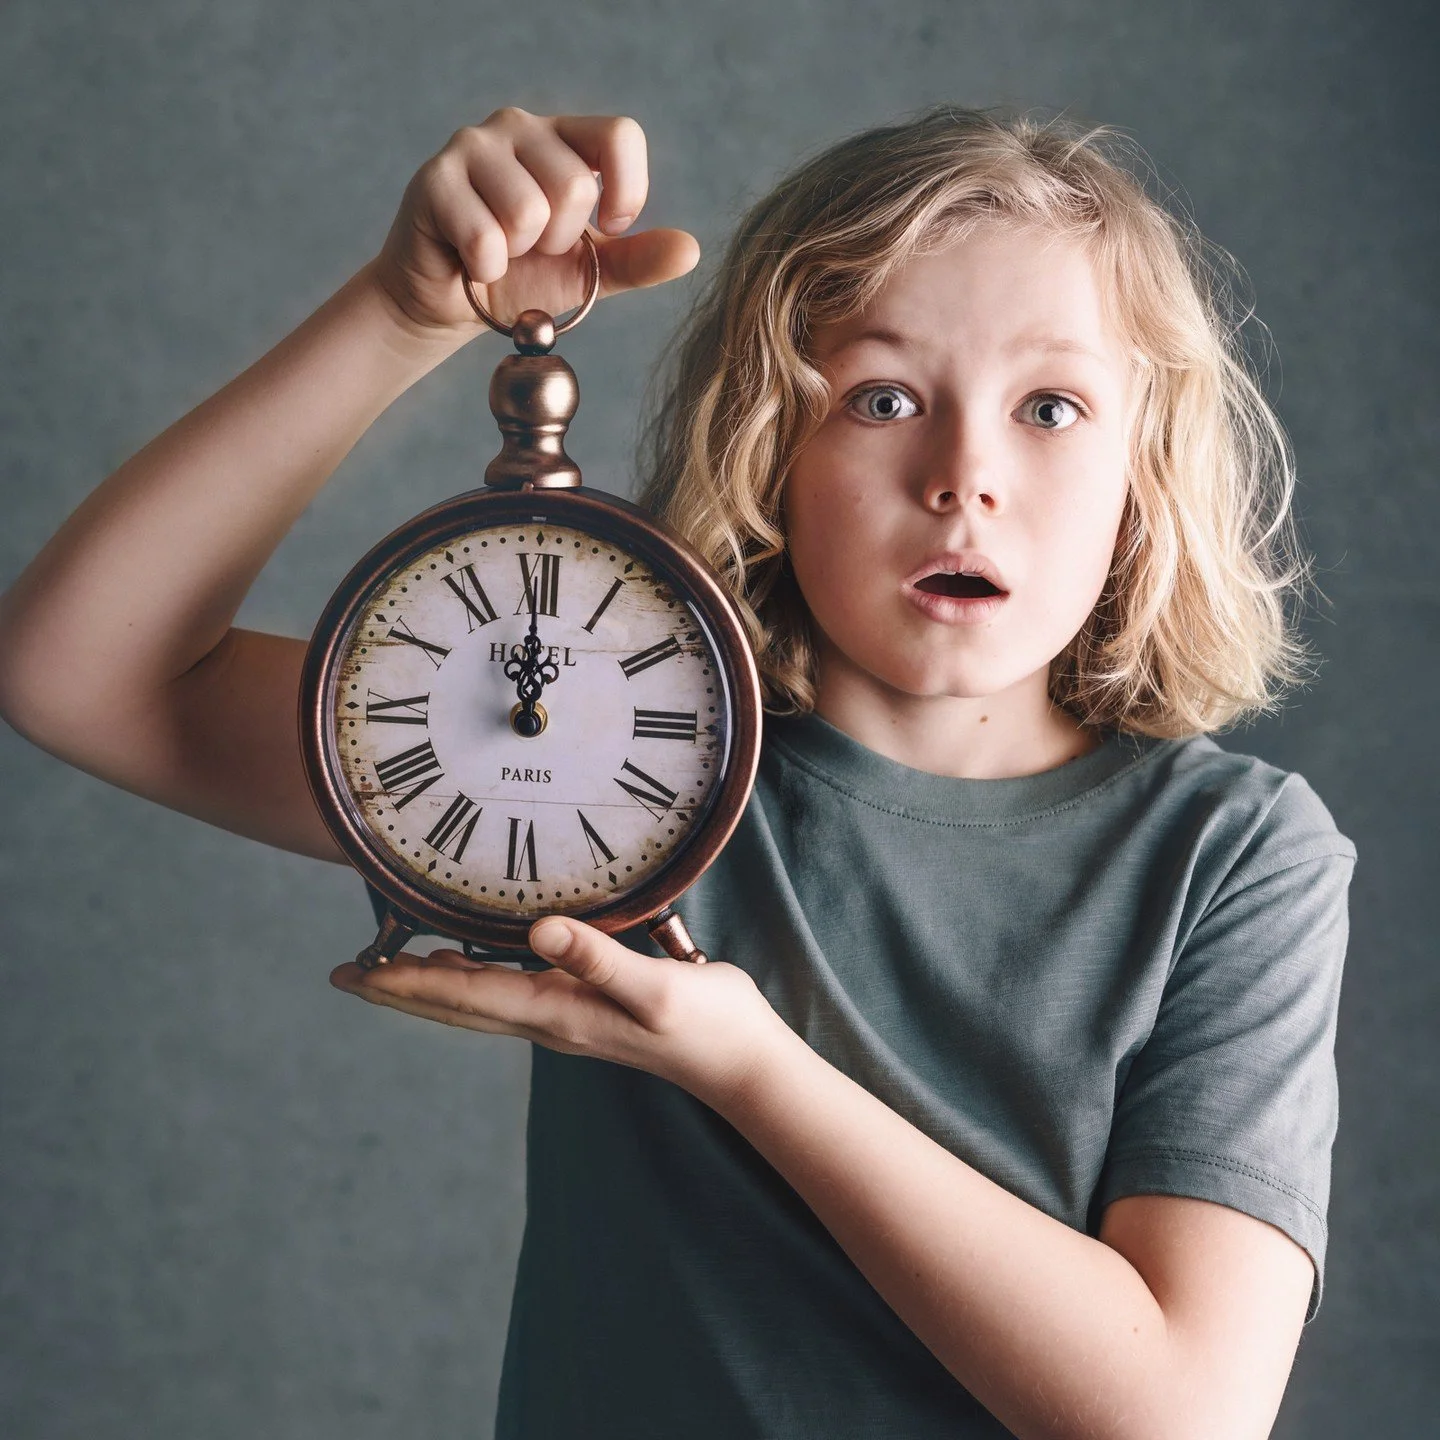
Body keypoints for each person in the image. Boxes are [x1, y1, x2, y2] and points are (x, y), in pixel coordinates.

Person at [0, 104, 1356, 1439]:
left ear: (1147, 474)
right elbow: (85, 674)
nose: (965, 477)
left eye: (1051, 406)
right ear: (771, 445)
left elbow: (1179, 1412)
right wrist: (405, 311)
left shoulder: (1232, 859)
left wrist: (746, 1068)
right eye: (882, 398)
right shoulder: (616, 769)